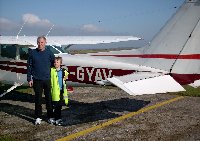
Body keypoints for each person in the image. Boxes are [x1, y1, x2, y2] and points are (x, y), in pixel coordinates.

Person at [27, 36, 55, 125]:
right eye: (38, 42)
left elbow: (53, 64)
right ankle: (38, 117)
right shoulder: (32, 53)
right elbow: (29, 66)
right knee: (38, 99)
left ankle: (50, 117)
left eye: (42, 42)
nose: (40, 44)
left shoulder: (49, 53)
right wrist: (29, 78)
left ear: (45, 42)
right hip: (37, 80)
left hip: (47, 79)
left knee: (48, 99)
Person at [50, 56, 69, 125]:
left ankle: (57, 118)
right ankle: (56, 118)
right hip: (54, 92)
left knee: (59, 106)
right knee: (55, 106)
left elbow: (66, 75)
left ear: (60, 63)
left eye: (57, 62)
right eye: (54, 62)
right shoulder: (51, 70)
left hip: (61, 91)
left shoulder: (63, 71)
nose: (55, 63)